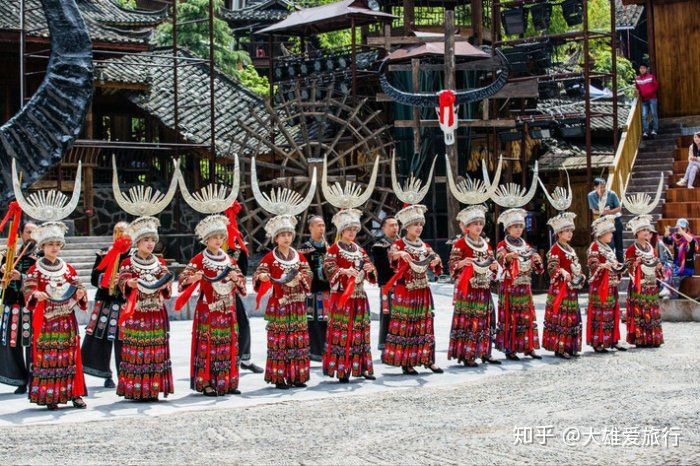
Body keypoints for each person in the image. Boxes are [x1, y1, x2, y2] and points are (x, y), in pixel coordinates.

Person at [25, 224, 88, 409]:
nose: (54, 247)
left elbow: (79, 287)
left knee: (70, 356)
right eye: (50, 244)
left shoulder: (68, 269)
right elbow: (28, 289)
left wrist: (80, 294)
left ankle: (75, 393)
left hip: (67, 320)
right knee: (49, 357)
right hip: (46, 321)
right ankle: (50, 395)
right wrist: (35, 294)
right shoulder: (35, 270)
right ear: (42, 247)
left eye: (57, 244)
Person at [117, 217, 175, 400]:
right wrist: (129, 283)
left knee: (155, 349)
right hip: (137, 312)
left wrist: (166, 283)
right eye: (146, 240)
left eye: (152, 240)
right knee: (138, 349)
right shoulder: (128, 262)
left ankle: (154, 388)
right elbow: (121, 281)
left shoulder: (159, 263)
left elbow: (166, 281)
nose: (150, 244)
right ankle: (136, 389)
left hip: (156, 312)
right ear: (138, 242)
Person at [382, 204, 443, 375]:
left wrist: (436, 261)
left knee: (425, 325)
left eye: (421, 224)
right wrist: (398, 255)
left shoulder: (425, 246)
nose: (418, 228)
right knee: (407, 326)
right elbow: (391, 257)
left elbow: (434, 262)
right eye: (415, 224)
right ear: (407, 226)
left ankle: (428, 359)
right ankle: (407, 361)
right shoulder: (399, 244)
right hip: (406, 290)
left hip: (423, 291)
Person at [253, 219, 312, 389]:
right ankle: (279, 378)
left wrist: (303, 277)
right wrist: (262, 277)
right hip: (280, 304)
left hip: (297, 304)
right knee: (280, 341)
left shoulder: (298, 256)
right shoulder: (270, 257)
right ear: (276, 238)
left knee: (297, 339)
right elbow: (260, 272)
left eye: (289, 234)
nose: (286, 238)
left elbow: (308, 272)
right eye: (282, 235)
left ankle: (297, 376)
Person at [322, 209, 376, 382]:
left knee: (361, 332)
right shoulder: (334, 249)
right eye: (348, 229)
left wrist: (370, 270)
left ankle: (362, 367)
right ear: (341, 231)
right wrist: (343, 271)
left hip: (359, 297)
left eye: (354, 229)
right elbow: (328, 269)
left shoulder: (360, 250)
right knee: (343, 332)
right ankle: (342, 369)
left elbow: (370, 269)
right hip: (342, 298)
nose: (352, 232)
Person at [447, 206, 500, 367]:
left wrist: (495, 267)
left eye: (480, 223)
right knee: (469, 322)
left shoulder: (486, 245)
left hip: (483, 289)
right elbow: (451, 265)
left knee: (485, 320)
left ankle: (485, 351)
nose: (478, 226)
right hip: (468, 290)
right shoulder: (460, 243)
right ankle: (467, 354)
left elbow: (492, 264)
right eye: (475, 223)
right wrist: (460, 263)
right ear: (467, 226)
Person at [80, 221, 130, 389]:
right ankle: (106, 374)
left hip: (125, 303)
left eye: (123, 231)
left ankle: (125, 374)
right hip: (106, 303)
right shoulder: (103, 254)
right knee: (102, 338)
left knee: (124, 341)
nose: (120, 234)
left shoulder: (133, 255)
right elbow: (94, 277)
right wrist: (106, 280)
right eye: (117, 231)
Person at [495, 208, 544, 361]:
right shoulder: (503, 244)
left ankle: (528, 346)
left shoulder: (525, 245)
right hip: (510, 286)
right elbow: (500, 258)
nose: (518, 229)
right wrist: (508, 257)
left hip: (524, 286)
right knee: (512, 316)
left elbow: (536, 264)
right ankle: (510, 348)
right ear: (508, 228)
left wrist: (537, 260)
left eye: (520, 226)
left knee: (526, 316)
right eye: (515, 226)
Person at [0, 222, 37, 394]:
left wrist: (21, 277)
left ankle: (34, 378)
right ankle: (19, 378)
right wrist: (3, 273)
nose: (31, 235)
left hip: (31, 306)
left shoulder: (42, 255)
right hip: (12, 304)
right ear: (21, 234)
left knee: (31, 343)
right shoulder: (10, 253)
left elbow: (41, 280)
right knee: (11, 343)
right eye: (28, 232)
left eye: (34, 232)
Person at [542, 212, 584, 359]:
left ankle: (571, 346)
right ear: (559, 233)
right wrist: (562, 271)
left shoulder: (570, 249)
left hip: (571, 289)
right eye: (566, 231)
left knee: (572, 317)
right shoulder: (555, 249)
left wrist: (579, 276)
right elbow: (552, 268)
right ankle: (560, 348)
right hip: (560, 290)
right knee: (562, 317)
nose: (570, 233)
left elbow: (576, 266)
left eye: (571, 231)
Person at [587, 216, 628, 353]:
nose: (612, 235)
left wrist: (619, 267)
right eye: (610, 232)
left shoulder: (608, 248)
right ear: (602, 234)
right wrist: (604, 266)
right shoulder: (594, 247)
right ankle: (598, 341)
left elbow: (613, 264)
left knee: (612, 314)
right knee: (601, 314)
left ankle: (613, 339)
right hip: (600, 287)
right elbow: (592, 264)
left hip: (610, 287)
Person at [624, 215, 664, 348]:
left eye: (647, 229)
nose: (646, 232)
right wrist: (636, 265)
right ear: (636, 233)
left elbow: (655, 261)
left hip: (651, 285)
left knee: (652, 311)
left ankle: (653, 338)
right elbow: (628, 267)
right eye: (643, 230)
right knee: (640, 312)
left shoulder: (651, 247)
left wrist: (658, 266)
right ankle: (641, 338)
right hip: (639, 286)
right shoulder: (631, 249)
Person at [298, 216, 330, 362]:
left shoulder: (328, 247)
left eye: (323, 225)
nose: (321, 228)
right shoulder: (304, 249)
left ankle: (327, 349)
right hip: (312, 290)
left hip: (327, 290)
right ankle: (315, 352)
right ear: (310, 228)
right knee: (313, 321)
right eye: (318, 225)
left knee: (327, 321)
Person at [370, 216, 399, 351]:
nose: (395, 228)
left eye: (396, 225)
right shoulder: (379, 246)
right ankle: (385, 345)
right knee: (388, 314)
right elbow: (381, 268)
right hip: (388, 285)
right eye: (391, 225)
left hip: (404, 284)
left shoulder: (403, 244)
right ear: (383, 228)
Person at [587, 178, 624, 263]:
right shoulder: (591, 196)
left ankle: (621, 268)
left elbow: (619, 208)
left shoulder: (611, 194)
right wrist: (603, 212)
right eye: (601, 187)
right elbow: (594, 210)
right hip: (603, 222)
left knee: (619, 246)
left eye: (604, 187)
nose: (603, 189)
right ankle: (610, 266)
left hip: (615, 219)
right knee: (609, 245)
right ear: (595, 187)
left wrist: (608, 212)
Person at [662, 218, 698, 295]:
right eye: (679, 228)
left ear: (687, 228)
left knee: (676, 276)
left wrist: (683, 233)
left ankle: (674, 291)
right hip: (676, 266)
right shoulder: (675, 238)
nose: (680, 230)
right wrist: (666, 234)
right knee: (666, 266)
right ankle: (666, 290)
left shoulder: (691, 238)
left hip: (687, 268)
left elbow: (693, 243)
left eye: (683, 228)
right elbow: (666, 241)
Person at [635, 63, 659, 139]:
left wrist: (650, 92)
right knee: (644, 116)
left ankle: (655, 130)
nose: (642, 70)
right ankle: (645, 132)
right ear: (639, 70)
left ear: (646, 69)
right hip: (644, 100)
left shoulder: (651, 77)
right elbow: (637, 88)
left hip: (652, 98)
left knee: (654, 114)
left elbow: (656, 86)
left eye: (643, 68)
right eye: (641, 68)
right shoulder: (637, 79)